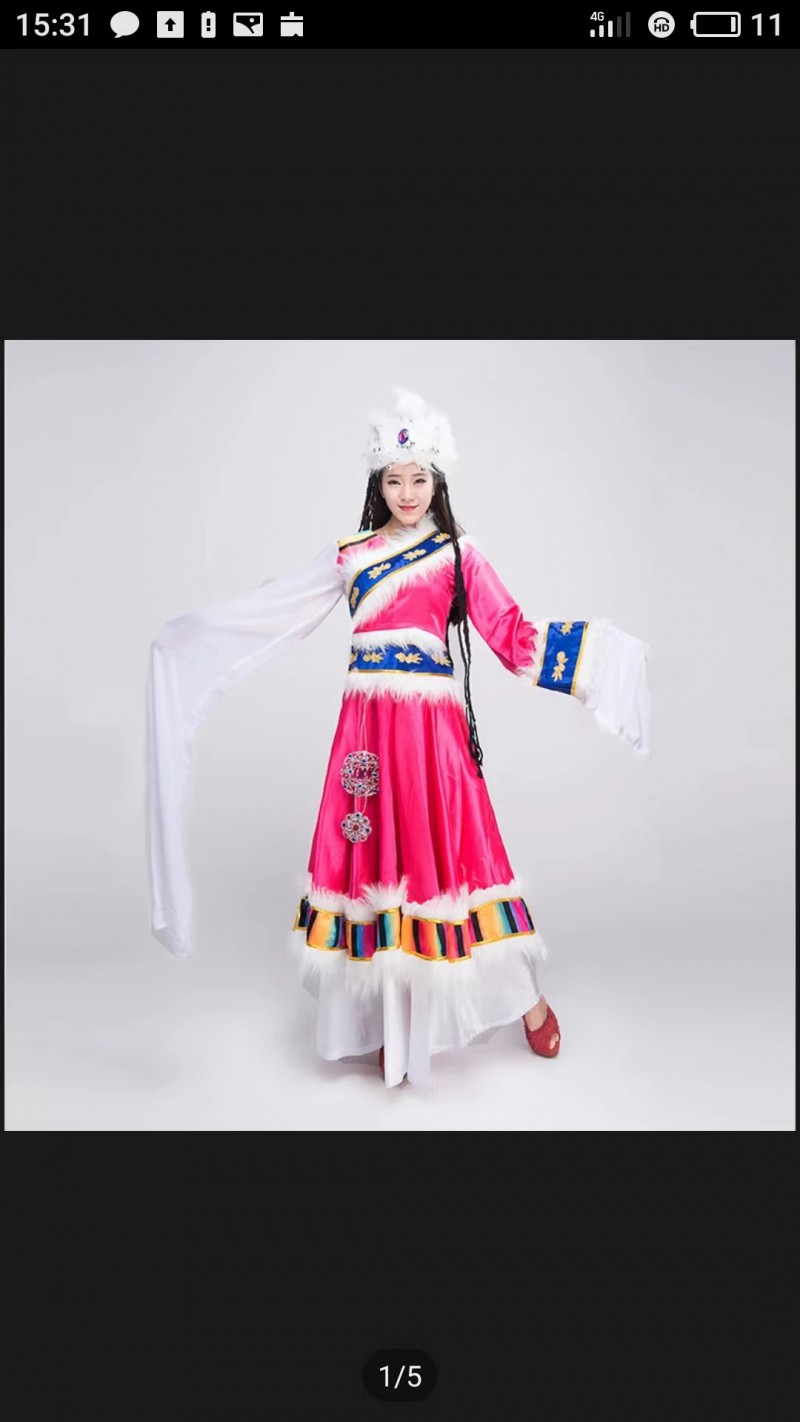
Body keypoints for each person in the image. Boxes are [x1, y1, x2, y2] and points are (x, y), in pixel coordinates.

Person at [147, 387, 651, 1088]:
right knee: (375, 869)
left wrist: (604, 660)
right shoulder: (350, 555)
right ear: (376, 484)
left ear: (436, 482)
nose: (407, 494)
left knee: (456, 866)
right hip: (368, 735)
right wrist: (194, 636)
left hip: (432, 737)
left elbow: (513, 637)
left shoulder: (458, 554)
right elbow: (275, 612)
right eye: (394, 480)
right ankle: (393, 1025)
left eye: (419, 480)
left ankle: (526, 1001)